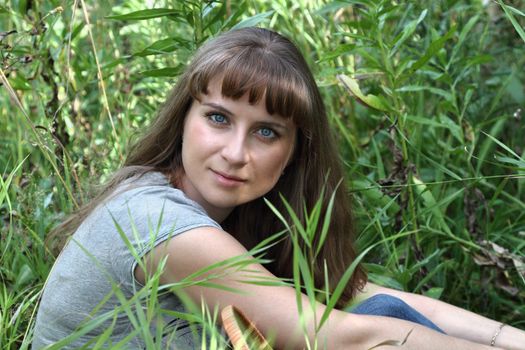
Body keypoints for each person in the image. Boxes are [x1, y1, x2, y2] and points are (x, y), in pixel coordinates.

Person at [32, 27, 524, 349]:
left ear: (293, 152)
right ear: (184, 118)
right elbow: (340, 337)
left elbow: (356, 294)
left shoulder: (236, 221)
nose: (236, 152)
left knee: (385, 308)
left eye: (266, 131)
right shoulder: (158, 221)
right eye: (218, 118)